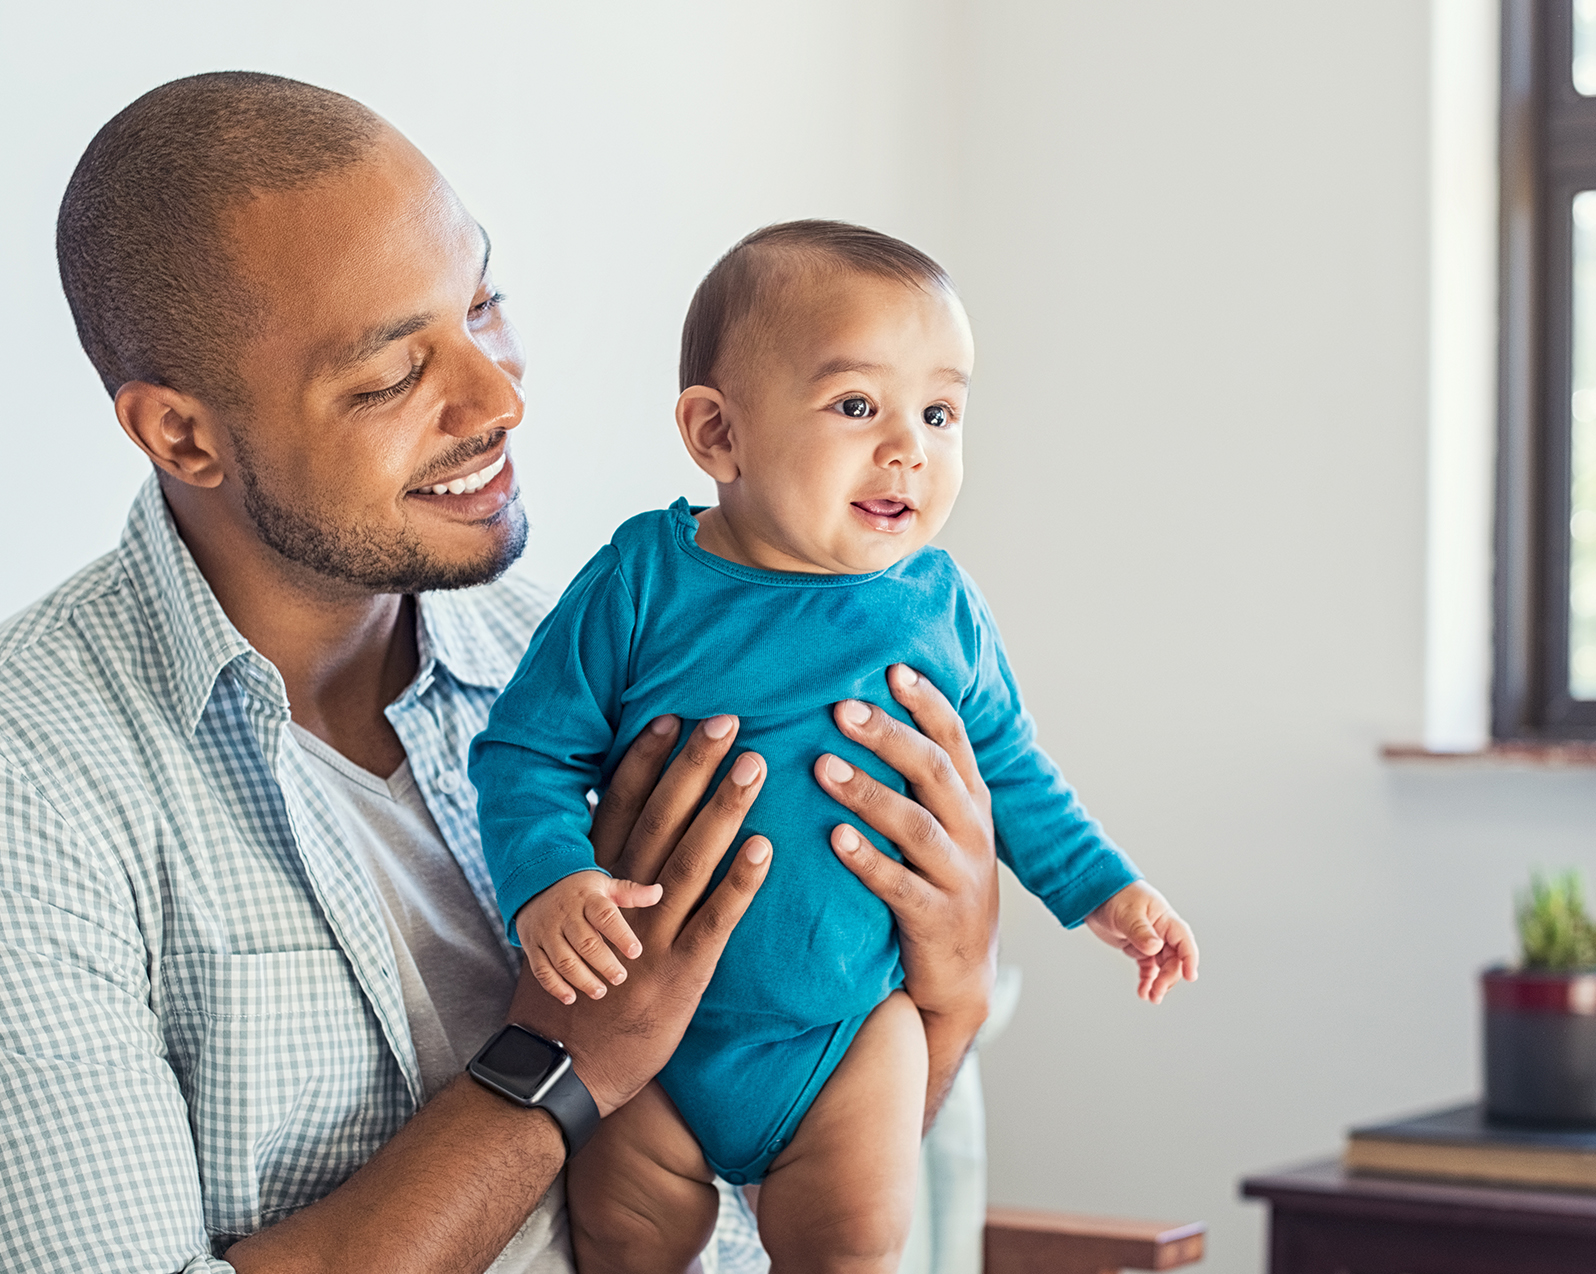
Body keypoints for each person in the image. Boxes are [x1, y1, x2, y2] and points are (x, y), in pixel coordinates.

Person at [0, 73, 999, 1273]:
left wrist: (945, 996)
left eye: (482, 304)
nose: (499, 396)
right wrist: (558, 1061)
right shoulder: (39, 780)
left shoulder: (592, 664)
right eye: (387, 376)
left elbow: (772, 1172)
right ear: (182, 435)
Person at [469, 221, 1201, 1272]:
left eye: (939, 411)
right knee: (628, 1239)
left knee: (853, 1243)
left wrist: (1108, 891)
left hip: (847, 1038)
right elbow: (526, 753)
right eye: (857, 405)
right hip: (650, 1042)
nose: (908, 445)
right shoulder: (642, 578)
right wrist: (550, 882)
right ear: (716, 433)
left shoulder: (937, 603)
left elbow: (1010, 769)